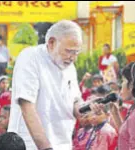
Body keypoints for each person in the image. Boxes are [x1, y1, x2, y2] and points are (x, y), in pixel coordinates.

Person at [8, 20, 95, 150]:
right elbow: (27, 107)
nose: (73, 58)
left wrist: (89, 109)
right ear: (51, 43)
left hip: (62, 144)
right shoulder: (30, 57)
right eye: (69, 51)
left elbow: (74, 102)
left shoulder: (69, 67)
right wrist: (46, 148)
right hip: (31, 144)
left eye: (76, 52)